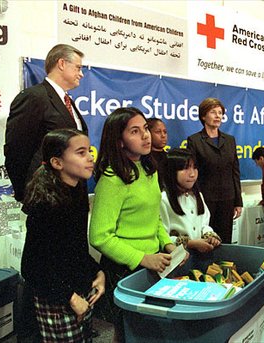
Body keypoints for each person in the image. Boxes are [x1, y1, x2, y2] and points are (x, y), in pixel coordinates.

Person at [89, 107, 181, 343]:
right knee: (128, 333)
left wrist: (168, 244)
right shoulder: (112, 179)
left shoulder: (148, 169)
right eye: (135, 131)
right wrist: (142, 258)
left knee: (146, 331)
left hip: (152, 264)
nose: (146, 135)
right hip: (124, 269)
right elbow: (99, 236)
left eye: (146, 129)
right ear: (119, 141)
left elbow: (155, 218)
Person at [21, 129, 105, 342]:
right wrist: (70, 298)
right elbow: (32, 266)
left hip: (79, 290)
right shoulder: (45, 205)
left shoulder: (76, 190)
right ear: (57, 163)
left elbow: (74, 249)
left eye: (89, 151)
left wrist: (97, 272)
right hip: (58, 298)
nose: (90, 157)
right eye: (81, 152)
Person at [5, 44, 87, 202]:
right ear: (62, 64)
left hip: (74, 195)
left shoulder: (68, 101)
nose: (81, 74)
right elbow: (16, 150)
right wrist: (29, 193)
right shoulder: (34, 97)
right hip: (48, 197)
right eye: (78, 68)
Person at [187, 98, 243, 243]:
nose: (218, 116)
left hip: (227, 198)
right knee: (207, 239)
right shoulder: (194, 140)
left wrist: (238, 201)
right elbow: (192, 172)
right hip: (206, 198)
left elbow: (235, 171)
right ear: (203, 116)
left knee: (225, 240)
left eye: (220, 113)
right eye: (213, 112)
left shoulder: (230, 140)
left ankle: (223, 266)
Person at [160, 148, 222, 253]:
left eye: (194, 167)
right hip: (178, 258)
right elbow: (163, 237)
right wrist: (191, 243)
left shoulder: (198, 196)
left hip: (200, 257)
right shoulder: (164, 199)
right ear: (171, 171)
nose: (192, 174)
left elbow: (204, 224)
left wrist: (210, 236)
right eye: (185, 168)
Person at [147, 118, 168, 190]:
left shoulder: (171, 157)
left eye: (165, 132)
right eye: (158, 132)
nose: (163, 135)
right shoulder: (144, 159)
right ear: (148, 133)